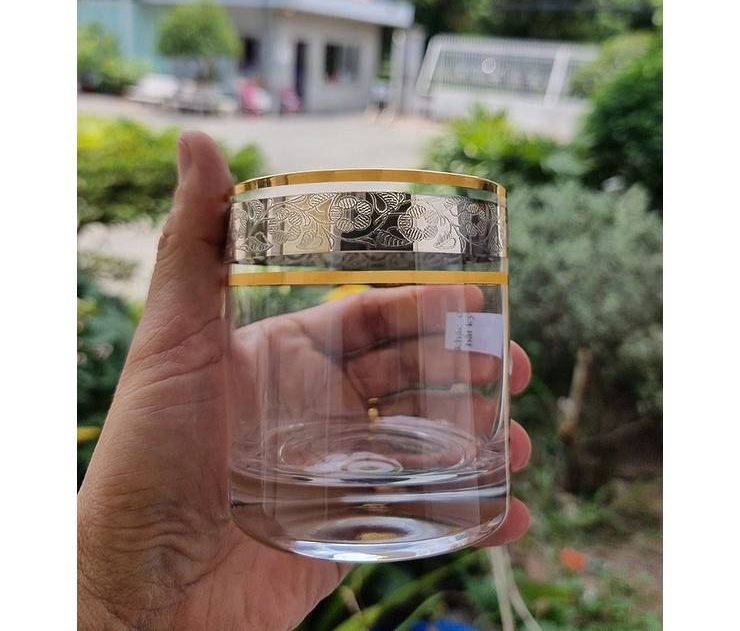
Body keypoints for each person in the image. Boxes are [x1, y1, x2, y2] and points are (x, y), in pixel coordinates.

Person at [77, 132, 533, 630]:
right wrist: (114, 601)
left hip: (439, 490)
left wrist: (118, 608)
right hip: (273, 501)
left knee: (481, 376)